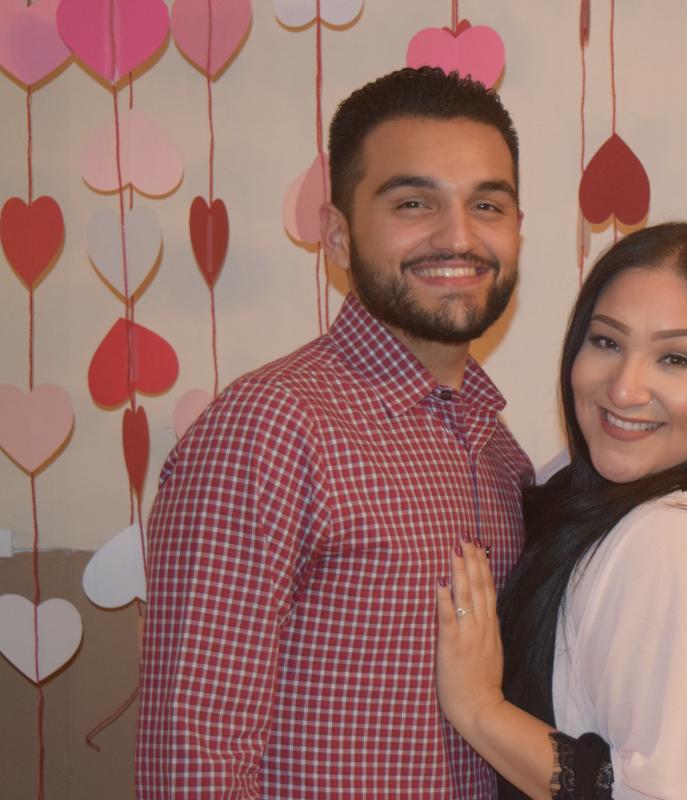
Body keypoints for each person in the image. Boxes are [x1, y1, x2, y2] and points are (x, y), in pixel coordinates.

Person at [136, 67, 532, 799]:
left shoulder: (500, 453)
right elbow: (195, 754)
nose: (459, 236)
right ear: (339, 237)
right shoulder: (272, 425)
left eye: (487, 205)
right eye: (413, 203)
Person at [435, 223, 687, 799]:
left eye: (676, 358)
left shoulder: (683, 538)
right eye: (607, 342)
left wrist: (480, 708)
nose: (624, 389)